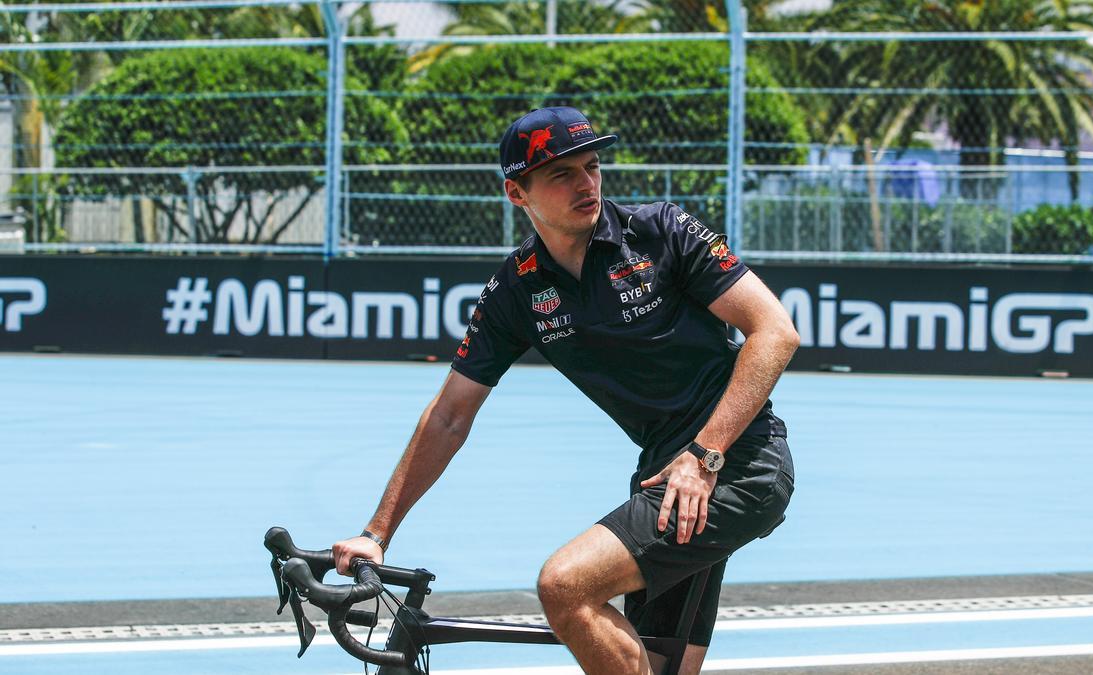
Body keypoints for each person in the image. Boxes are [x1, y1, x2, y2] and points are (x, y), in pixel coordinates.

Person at [332, 106, 799, 675]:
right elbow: (451, 414)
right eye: (562, 173)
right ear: (516, 192)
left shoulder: (661, 231)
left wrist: (703, 457)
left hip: (736, 464)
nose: (586, 183)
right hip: (663, 476)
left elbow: (775, 331)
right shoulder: (515, 289)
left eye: (593, 166)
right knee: (660, 665)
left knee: (565, 586)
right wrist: (375, 534)